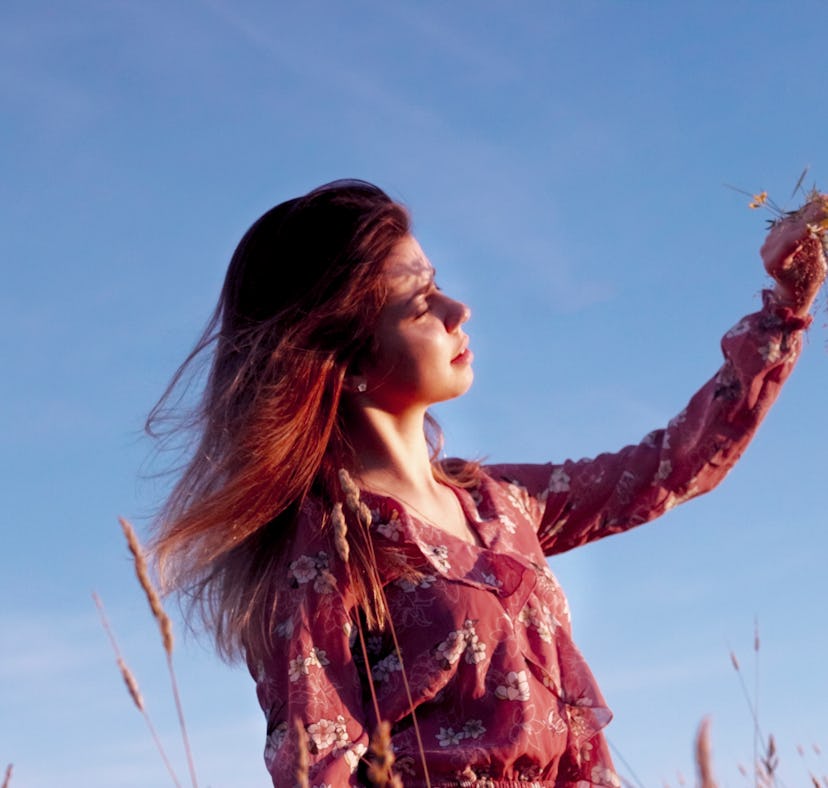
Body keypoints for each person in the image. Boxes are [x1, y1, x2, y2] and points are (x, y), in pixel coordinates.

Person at [148, 180, 827, 787]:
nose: (457, 308)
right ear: (346, 357)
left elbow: (670, 466)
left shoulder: (499, 504)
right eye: (420, 303)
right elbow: (318, 765)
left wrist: (787, 310)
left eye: (437, 282)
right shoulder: (324, 554)